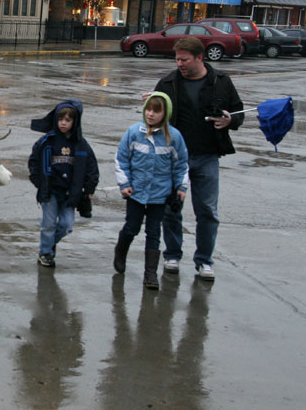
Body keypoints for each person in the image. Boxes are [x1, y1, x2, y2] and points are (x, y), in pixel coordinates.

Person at [154, 36, 244, 281]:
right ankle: (172, 255)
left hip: (207, 156)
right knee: (171, 209)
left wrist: (230, 120)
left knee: (207, 210)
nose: (180, 64)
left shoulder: (221, 83)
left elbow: (238, 112)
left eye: (184, 59)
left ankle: (204, 261)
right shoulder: (167, 83)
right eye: (177, 59)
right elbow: (152, 118)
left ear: (200, 58)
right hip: (174, 158)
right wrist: (150, 109)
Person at [113, 92, 189, 289]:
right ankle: (121, 251)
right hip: (136, 193)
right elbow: (122, 159)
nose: (151, 114)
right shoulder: (133, 132)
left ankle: (150, 275)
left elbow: (181, 164)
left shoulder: (174, 137)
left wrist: (181, 188)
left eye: (156, 111)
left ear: (166, 113)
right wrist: (124, 184)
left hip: (160, 195)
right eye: (148, 109)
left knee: (154, 232)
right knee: (132, 227)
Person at [28, 100, 99, 268]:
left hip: (70, 193)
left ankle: (50, 243)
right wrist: (38, 181)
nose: (63, 123)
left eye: (68, 120)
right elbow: (34, 161)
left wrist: (89, 188)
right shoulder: (47, 141)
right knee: (49, 224)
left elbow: (91, 167)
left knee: (67, 225)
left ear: (75, 122)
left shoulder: (81, 144)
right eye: (61, 120)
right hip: (50, 191)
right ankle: (45, 253)